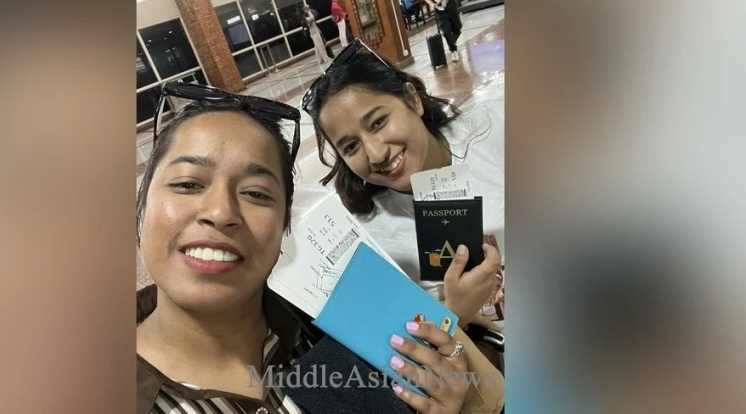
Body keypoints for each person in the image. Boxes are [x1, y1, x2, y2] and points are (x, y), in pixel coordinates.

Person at [136, 82, 503, 414]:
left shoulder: (339, 319)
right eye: (187, 184)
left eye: (255, 193)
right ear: (140, 202)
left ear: (284, 224)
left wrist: (452, 378)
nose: (220, 212)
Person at [302, 40, 505, 334]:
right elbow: (403, 344)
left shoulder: (496, 129)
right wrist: (456, 313)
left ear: (412, 100)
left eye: (378, 122)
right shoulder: (373, 239)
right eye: (351, 147)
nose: (376, 154)